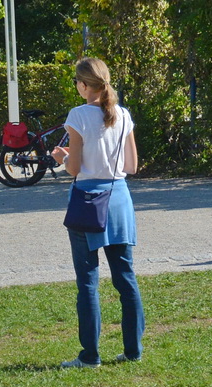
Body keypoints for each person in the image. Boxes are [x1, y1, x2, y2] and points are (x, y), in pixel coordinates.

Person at [50, 57, 143, 368]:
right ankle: (133, 350)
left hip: (89, 199)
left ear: (83, 85)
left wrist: (62, 157)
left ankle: (90, 355)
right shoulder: (123, 115)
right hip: (119, 198)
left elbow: (74, 168)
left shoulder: (78, 115)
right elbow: (131, 166)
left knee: (88, 281)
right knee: (125, 277)